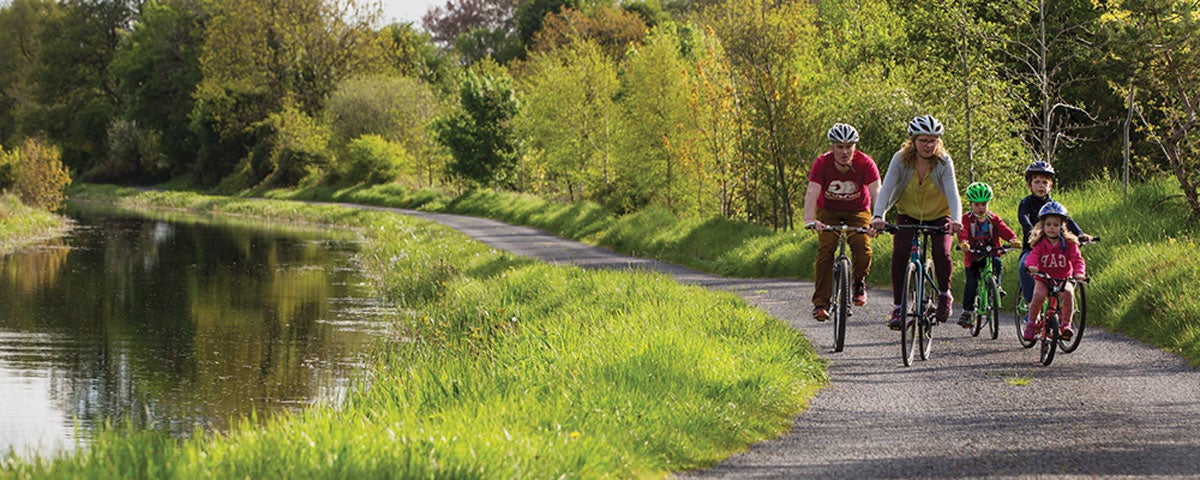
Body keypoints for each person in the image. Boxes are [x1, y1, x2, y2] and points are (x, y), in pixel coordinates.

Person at [870, 115, 964, 329]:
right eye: (923, 140)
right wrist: (878, 216)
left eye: (933, 140)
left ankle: (944, 294)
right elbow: (886, 189)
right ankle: (898, 307)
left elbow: (953, 193)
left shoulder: (943, 161)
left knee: (942, 252)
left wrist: (956, 220)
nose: (929, 145)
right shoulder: (901, 159)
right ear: (913, 141)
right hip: (908, 214)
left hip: (940, 215)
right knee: (900, 253)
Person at [804, 123, 881, 321]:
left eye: (849, 146)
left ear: (855, 147)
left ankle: (858, 281)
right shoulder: (822, 163)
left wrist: (878, 219)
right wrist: (810, 220)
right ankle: (821, 304)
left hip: (858, 210)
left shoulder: (865, 163)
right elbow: (812, 192)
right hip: (828, 210)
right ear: (832, 147)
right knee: (826, 249)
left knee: (862, 246)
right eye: (840, 146)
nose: (844, 151)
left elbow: (876, 192)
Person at [1016, 161, 1091, 325]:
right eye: (1037, 182)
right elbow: (1024, 218)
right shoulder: (1025, 203)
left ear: (1050, 185)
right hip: (1034, 248)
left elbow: (1067, 221)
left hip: (1056, 248)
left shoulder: (1054, 205)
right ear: (1030, 184)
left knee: (1068, 269)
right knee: (1024, 266)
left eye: (1045, 182)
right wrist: (1032, 232)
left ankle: (1060, 310)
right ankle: (1031, 305)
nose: (1041, 186)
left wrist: (1080, 234)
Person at [955, 182, 1020, 328]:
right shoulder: (967, 219)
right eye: (977, 205)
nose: (980, 208)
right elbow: (963, 231)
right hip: (974, 256)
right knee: (971, 284)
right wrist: (964, 242)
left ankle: (997, 287)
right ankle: (967, 311)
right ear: (971, 204)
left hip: (991, 252)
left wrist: (1013, 239)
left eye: (983, 204)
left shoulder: (993, 218)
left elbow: (1003, 229)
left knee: (997, 264)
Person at [1023, 201, 1086, 341]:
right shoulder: (1040, 243)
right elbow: (1032, 256)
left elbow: (1077, 259)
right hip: (1043, 279)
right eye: (1048, 224)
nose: (1052, 228)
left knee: (1068, 294)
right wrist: (1031, 266)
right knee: (1038, 296)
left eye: (1056, 225)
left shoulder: (1069, 244)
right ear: (1042, 226)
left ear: (1062, 226)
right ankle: (1031, 324)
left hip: (1063, 278)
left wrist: (1079, 272)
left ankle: (1065, 325)